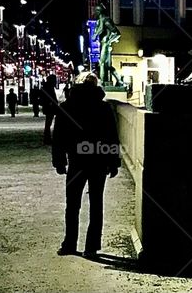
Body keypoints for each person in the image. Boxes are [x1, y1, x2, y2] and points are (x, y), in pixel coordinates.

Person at [52, 73, 120, 257]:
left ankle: (69, 244)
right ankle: (91, 247)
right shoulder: (104, 107)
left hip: (76, 160)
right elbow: (112, 135)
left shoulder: (67, 106)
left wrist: (59, 160)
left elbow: (58, 136)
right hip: (99, 159)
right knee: (96, 204)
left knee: (72, 205)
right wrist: (114, 161)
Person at [41, 75, 59, 144]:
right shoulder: (48, 87)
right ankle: (47, 138)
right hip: (49, 107)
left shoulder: (47, 87)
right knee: (48, 123)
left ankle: (47, 137)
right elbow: (50, 98)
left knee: (48, 123)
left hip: (49, 107)